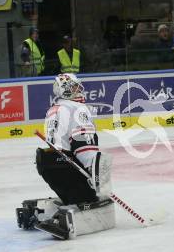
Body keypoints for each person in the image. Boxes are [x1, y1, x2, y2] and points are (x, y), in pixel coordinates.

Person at [15, 73, 115, 240]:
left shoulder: (54, 108)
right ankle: (62, 221)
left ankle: (34, 212)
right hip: (67, 164)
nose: (79, 90)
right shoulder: (79, 109)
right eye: (75, 87)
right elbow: (83, 144)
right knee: (89, 199)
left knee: (70, 197)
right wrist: (93, 171)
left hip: (47, 163)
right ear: (67, 90)